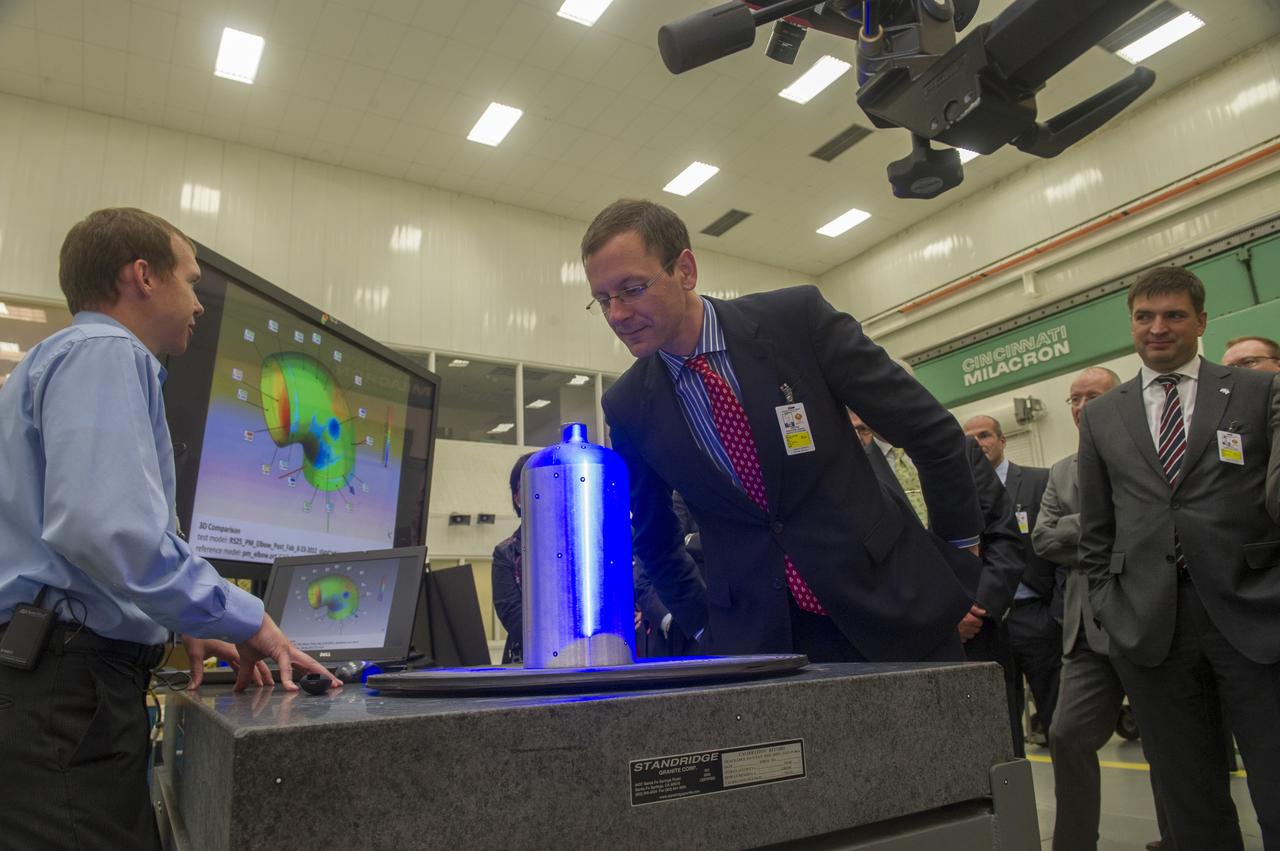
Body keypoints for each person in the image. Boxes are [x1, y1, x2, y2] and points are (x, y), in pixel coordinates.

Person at [0, 208, 338, 849]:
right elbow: (107, 530)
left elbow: (80, 536)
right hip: (65, 691)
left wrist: (188, 619)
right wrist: (248, 619)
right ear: (142, 276)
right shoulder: (105, 352)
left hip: (50, 682)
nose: (200, 305)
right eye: (192, 282)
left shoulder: (57, 359)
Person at [584, 198, 984, 662]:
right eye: (603, 299)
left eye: (632, 289)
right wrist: (704, 627)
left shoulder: (796, 322)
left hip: (896, 607)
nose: (617, 315)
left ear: (685, 270)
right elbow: (654, 537)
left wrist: (958, 559)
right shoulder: (629, 404)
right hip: (761, 645)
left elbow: (930, 432)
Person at [1078, 265, 1280, 849]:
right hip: (1150, 627)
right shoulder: (1101, 414)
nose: (1157, 328)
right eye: (1144, 316)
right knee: (1189, 797)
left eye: (1173, 315)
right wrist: (1107, 604)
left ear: (1201, 322)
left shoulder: (1256, 390)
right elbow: (1097, 527)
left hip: (1253, 613)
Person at [1033, 365, 1173, 851]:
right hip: (1085, 629)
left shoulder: (1150, 456)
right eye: (1073, 398)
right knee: (1067, 734)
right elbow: (1043, 538)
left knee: (1165, 741)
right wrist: (1103, 524)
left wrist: (1091, 533)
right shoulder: (1061, 470)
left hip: (1149, 617)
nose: (1081, 406)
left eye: (1093, 396)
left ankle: (1176, 836)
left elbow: (1154, 527)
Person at [853, 410, 1026, 752]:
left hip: (981, 634)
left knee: (1000, 756)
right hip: (909, 646)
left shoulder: (961, 451)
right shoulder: (850, 466)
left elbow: (1004, 537)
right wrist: (939, 619)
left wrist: (978, 604)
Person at [963, 415, 1063, 747]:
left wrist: (1057, 612)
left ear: (1003, 440)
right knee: (1003, 720)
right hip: (988, 620)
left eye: (985, 434)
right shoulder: (960, 492)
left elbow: (1059, 548)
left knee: (1061, 721)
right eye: (970, 437)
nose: (978, 442)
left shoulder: (1039, 480)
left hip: (1036, 614)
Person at [492, 452, 535, 664]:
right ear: (517, 498)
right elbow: (512, 614)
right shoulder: (505, 553)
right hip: (526, 662)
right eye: (528, 486)